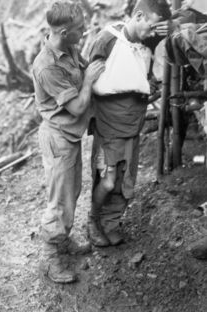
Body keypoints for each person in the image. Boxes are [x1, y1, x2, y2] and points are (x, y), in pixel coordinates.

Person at [87, 0, 172, 247]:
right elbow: (91, 82)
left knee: (126, 181)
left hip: (133, 124)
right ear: (137, 16)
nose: (154, 32)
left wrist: (171, 27)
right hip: (109, 125)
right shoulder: (107, 40)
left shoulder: (146, 41)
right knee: (108, 179)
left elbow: (147, 75)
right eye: (151, 25)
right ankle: (93, 220)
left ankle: (111, 223)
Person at [32, 1, 105, 284]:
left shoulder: (69, 48)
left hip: (69, 135)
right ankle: (51, 258)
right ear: (63, 32)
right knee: (59, 202)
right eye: (79, 29)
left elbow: (86, 69)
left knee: (70, 195)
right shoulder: (47, 65)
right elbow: (76, 107)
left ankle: (63, 241)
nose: (84, 32)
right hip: (58, 138)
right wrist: (87, 81)